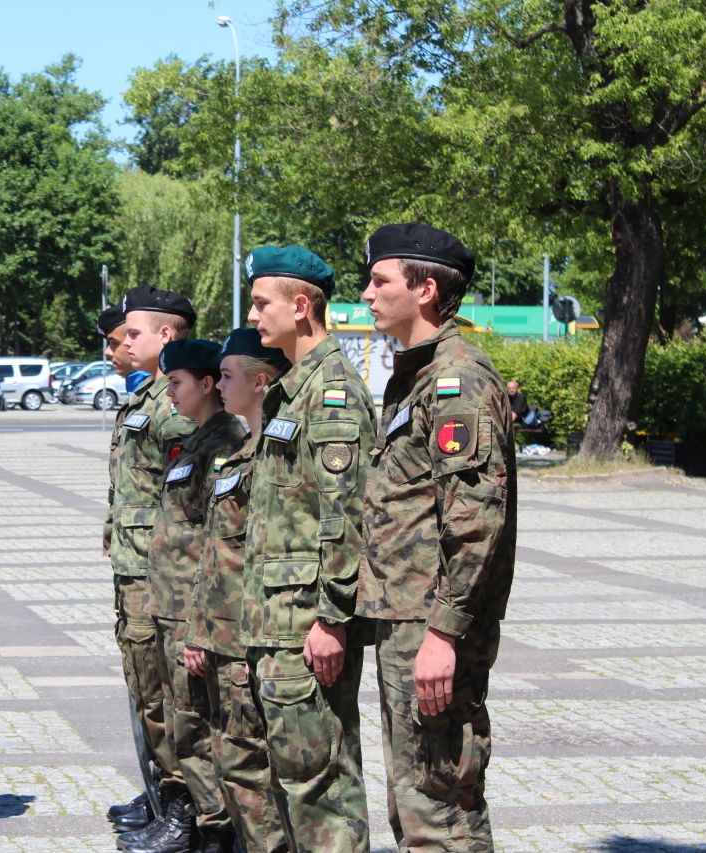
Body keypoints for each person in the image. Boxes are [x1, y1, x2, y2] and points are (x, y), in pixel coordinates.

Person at [358, 224, 517, 851]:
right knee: (415, 799)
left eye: (380, 281)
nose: (367, 293)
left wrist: (444, 634)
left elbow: (476, 520)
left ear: (425, 290)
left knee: (442, 808)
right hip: (406, 618)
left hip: (432, 624)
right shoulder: (416, 376)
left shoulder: (459, 381)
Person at [244, 245, 375, 853]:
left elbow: (345, 514)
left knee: (321, 785)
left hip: (306, 626)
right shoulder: (291, 389)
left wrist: (332, 618)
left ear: (301, 306)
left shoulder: (331, 391)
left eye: (260, 303)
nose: (252, 316)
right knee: (291, 780)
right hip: (276, 620)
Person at [134, 338, 247, 853]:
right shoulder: (197, 440)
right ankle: (201, 822)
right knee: (182, 720)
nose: (170, 392)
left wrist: (200, 619)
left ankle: (215, 829)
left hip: (192, 612)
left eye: (177, 382)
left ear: (206, 383)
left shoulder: (225, 444)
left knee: (199, 723)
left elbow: (215, 540)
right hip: (171, 606)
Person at [185, 328, 290, 853]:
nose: (220, 386)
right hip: (223, 634)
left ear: (261, 381)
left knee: (253, 763)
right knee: (234, 760)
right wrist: (199, 628)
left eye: (227, 376)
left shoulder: (274, 452)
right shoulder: (245, 448)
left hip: (250, 636)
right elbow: (215, 550)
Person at [106, 286, 197, 853]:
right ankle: (164, 792)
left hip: (161, 573)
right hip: (136, 567)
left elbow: (187, 501)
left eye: (133, 332)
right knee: (146, 689)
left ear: (166, 334)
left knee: (167, 695)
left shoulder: (176, 403)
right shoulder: (149, 395)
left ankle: (184, 807)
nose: (124, 342)